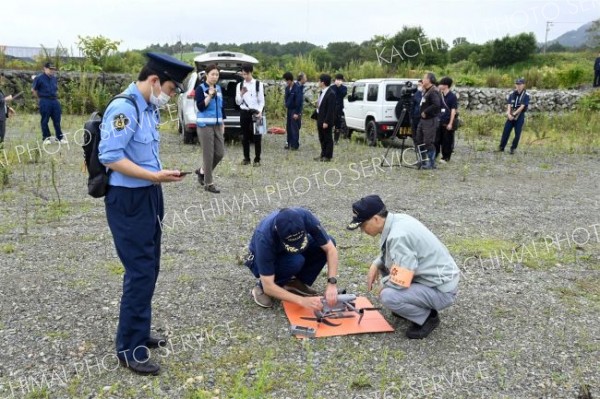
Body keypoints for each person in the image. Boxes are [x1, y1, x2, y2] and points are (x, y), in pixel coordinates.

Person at [98, 52, 193, 375]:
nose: (170, 95)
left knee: (150, 266)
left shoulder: (147, 108)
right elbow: (110, 156)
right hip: (128, 199)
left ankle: (139, 331)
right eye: (169, 87)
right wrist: (153, 176)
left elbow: (143, 155)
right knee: (139, 270)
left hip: (149, 194)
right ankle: (129, 348)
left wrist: (159, 175)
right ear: (153, 80)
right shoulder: (124, 108)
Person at [347, 195, 460, 339]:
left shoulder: (398, 236)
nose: (362, 230)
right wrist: (375, 264)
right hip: (437, 279)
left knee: (388, 296)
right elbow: (391, 254)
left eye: (363, 225)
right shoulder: (398, 220)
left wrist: (383, 284)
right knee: (385, 270)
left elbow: (401, 279)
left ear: (376, 219)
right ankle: (410, 305)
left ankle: (428, 318)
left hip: (441, 290)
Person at [244, 208, 339, 309]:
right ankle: (259, 287)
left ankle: (294, 282)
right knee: (295, 261)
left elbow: (331, 249)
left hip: (286, 253)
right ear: (277, 230)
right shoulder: (264, 237)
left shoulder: (305, 216)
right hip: (262, 260)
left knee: (329, 242)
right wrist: (302, 301)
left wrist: (331, 283)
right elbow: (269, 286)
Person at [195, 64, 226, 193]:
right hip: (204, 125)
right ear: (206, 75)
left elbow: (221, 107)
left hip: (217, 125)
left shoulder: (219, 88)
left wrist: (223, 123)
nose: (215, 77)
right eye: (212, 74)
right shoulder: (200, 88)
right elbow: (201, 107)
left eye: (217, 74)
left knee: (220, 153)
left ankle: (202, 171)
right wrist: (209, 96)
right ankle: (209, 183)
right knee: (208, 155)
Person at [235, 64, 265, 166]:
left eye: (246, 74)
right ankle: (246, 158)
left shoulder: (258, 84)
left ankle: (257, 159)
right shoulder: (239, 85)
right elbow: (238, 102)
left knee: (257, 137)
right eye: (243, 74)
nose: (245, 76)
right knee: (245, 137)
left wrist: (260, 111)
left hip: (256, 113)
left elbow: (261, 101)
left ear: (251, 72)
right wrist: (241, 94)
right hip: (244, 112)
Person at [32, 62, 65, 144]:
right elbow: (34, 90)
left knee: (57, 119)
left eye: (53, 69)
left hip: (54, 100)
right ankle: (46, 138)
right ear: (45, 68)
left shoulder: (54, 78)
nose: (52, 71)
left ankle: (59, 138)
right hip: (44, 100)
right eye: (50, 69)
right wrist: (40, 99)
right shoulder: (39, 78)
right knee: (45, 120)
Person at [414, 72, 441, 169]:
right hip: (423, 120)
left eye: (424, 78)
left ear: (429, 80)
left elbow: (436, 104)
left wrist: (426, 111)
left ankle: (431, 163)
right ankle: (422, 160)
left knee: (428, 141)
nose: (422, 80)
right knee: (419, 139)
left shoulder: (433, 91)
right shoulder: (426, 90)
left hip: (430, 120)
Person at [498, 78, 530, 155]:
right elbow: (509, 104)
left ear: (523, 85)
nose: (518, 86)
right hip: (511, 114)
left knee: (517, 133)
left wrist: (514, 114)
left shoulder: (526, 95)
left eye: (520, 84)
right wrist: (509, 114)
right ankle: (501, 147)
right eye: (517, 84)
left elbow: (522, 106)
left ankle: (513, 148)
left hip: (519, 115)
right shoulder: (512, 94)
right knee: (506, 131)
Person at [314, 74, 337, 162]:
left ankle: (328, 156)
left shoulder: (331, 93)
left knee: (327, 138)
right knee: (321, 137)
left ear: (323, 82)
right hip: (320, 118)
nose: (318, 83)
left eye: (319, 81)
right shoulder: (322, 92)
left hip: (326, 120)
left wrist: (326, 121)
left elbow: (331, 109)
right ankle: (322, 154)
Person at [436, 77, 458, 163]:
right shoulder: (440, 95)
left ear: (446, 85)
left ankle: (446, 157)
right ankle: (436, 155)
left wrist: (450, 123)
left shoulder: (452, 97)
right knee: (437, 140)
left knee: (447, 141)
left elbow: (453, 111)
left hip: (447, 121)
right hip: (439, 121)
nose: (439, 85)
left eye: (441, 84)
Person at [283, 71, 302, 150]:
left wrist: (297, 113)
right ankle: (289, 142)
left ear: (290, 80)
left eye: (286, 80)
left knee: (294, 127)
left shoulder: (297, 88)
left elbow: (299, 101)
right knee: (288, 127)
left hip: (295, 110)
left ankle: (295, 145)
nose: (286, 82)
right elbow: (286, 98)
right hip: (289, 109)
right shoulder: (287, 88)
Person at [330, 73, 347, 144]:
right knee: (330, 124)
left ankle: (336, 140)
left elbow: (343, 94)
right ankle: (329, 138)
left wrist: (339, 86)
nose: (338, 81)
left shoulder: (344, 88)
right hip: (331, 109)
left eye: (340, 80)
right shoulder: (332, 87)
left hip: (339, 109)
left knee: (338, 125)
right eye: (337, 79)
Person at [0, 73, 16, 145]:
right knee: (0, 138)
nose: (2, 80)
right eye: (1, 78)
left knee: (1, 138)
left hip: (2, 117)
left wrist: (8, 108)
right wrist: (6, 99)